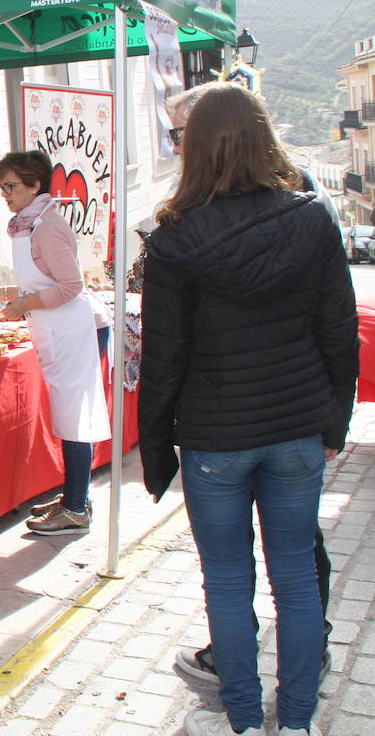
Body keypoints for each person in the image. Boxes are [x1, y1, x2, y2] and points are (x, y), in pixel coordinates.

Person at [139, 82, 355, 736]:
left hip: (215, 443)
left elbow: (164, 359)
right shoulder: (312, 218)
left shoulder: (173, 239)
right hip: (295, 432)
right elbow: (338, 334)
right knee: (296, 580)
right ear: (265, 136)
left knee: (227, 584)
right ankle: (296, 724)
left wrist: (156, 453)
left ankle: (241, 721)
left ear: (194, 150)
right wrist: (332, 427)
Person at [0, 150, 110, 536]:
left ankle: (75, 508)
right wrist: (8, 293)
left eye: (10, 186)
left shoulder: (47, 225)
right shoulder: (29, 223)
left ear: (35, 185)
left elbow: (71, 285)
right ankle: (76, 495)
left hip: (73, 327)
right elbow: (45, 279)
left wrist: (22, 304)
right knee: (69, 416)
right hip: (55, 327)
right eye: (1, 187)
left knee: (74, 420)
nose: (4, 194)